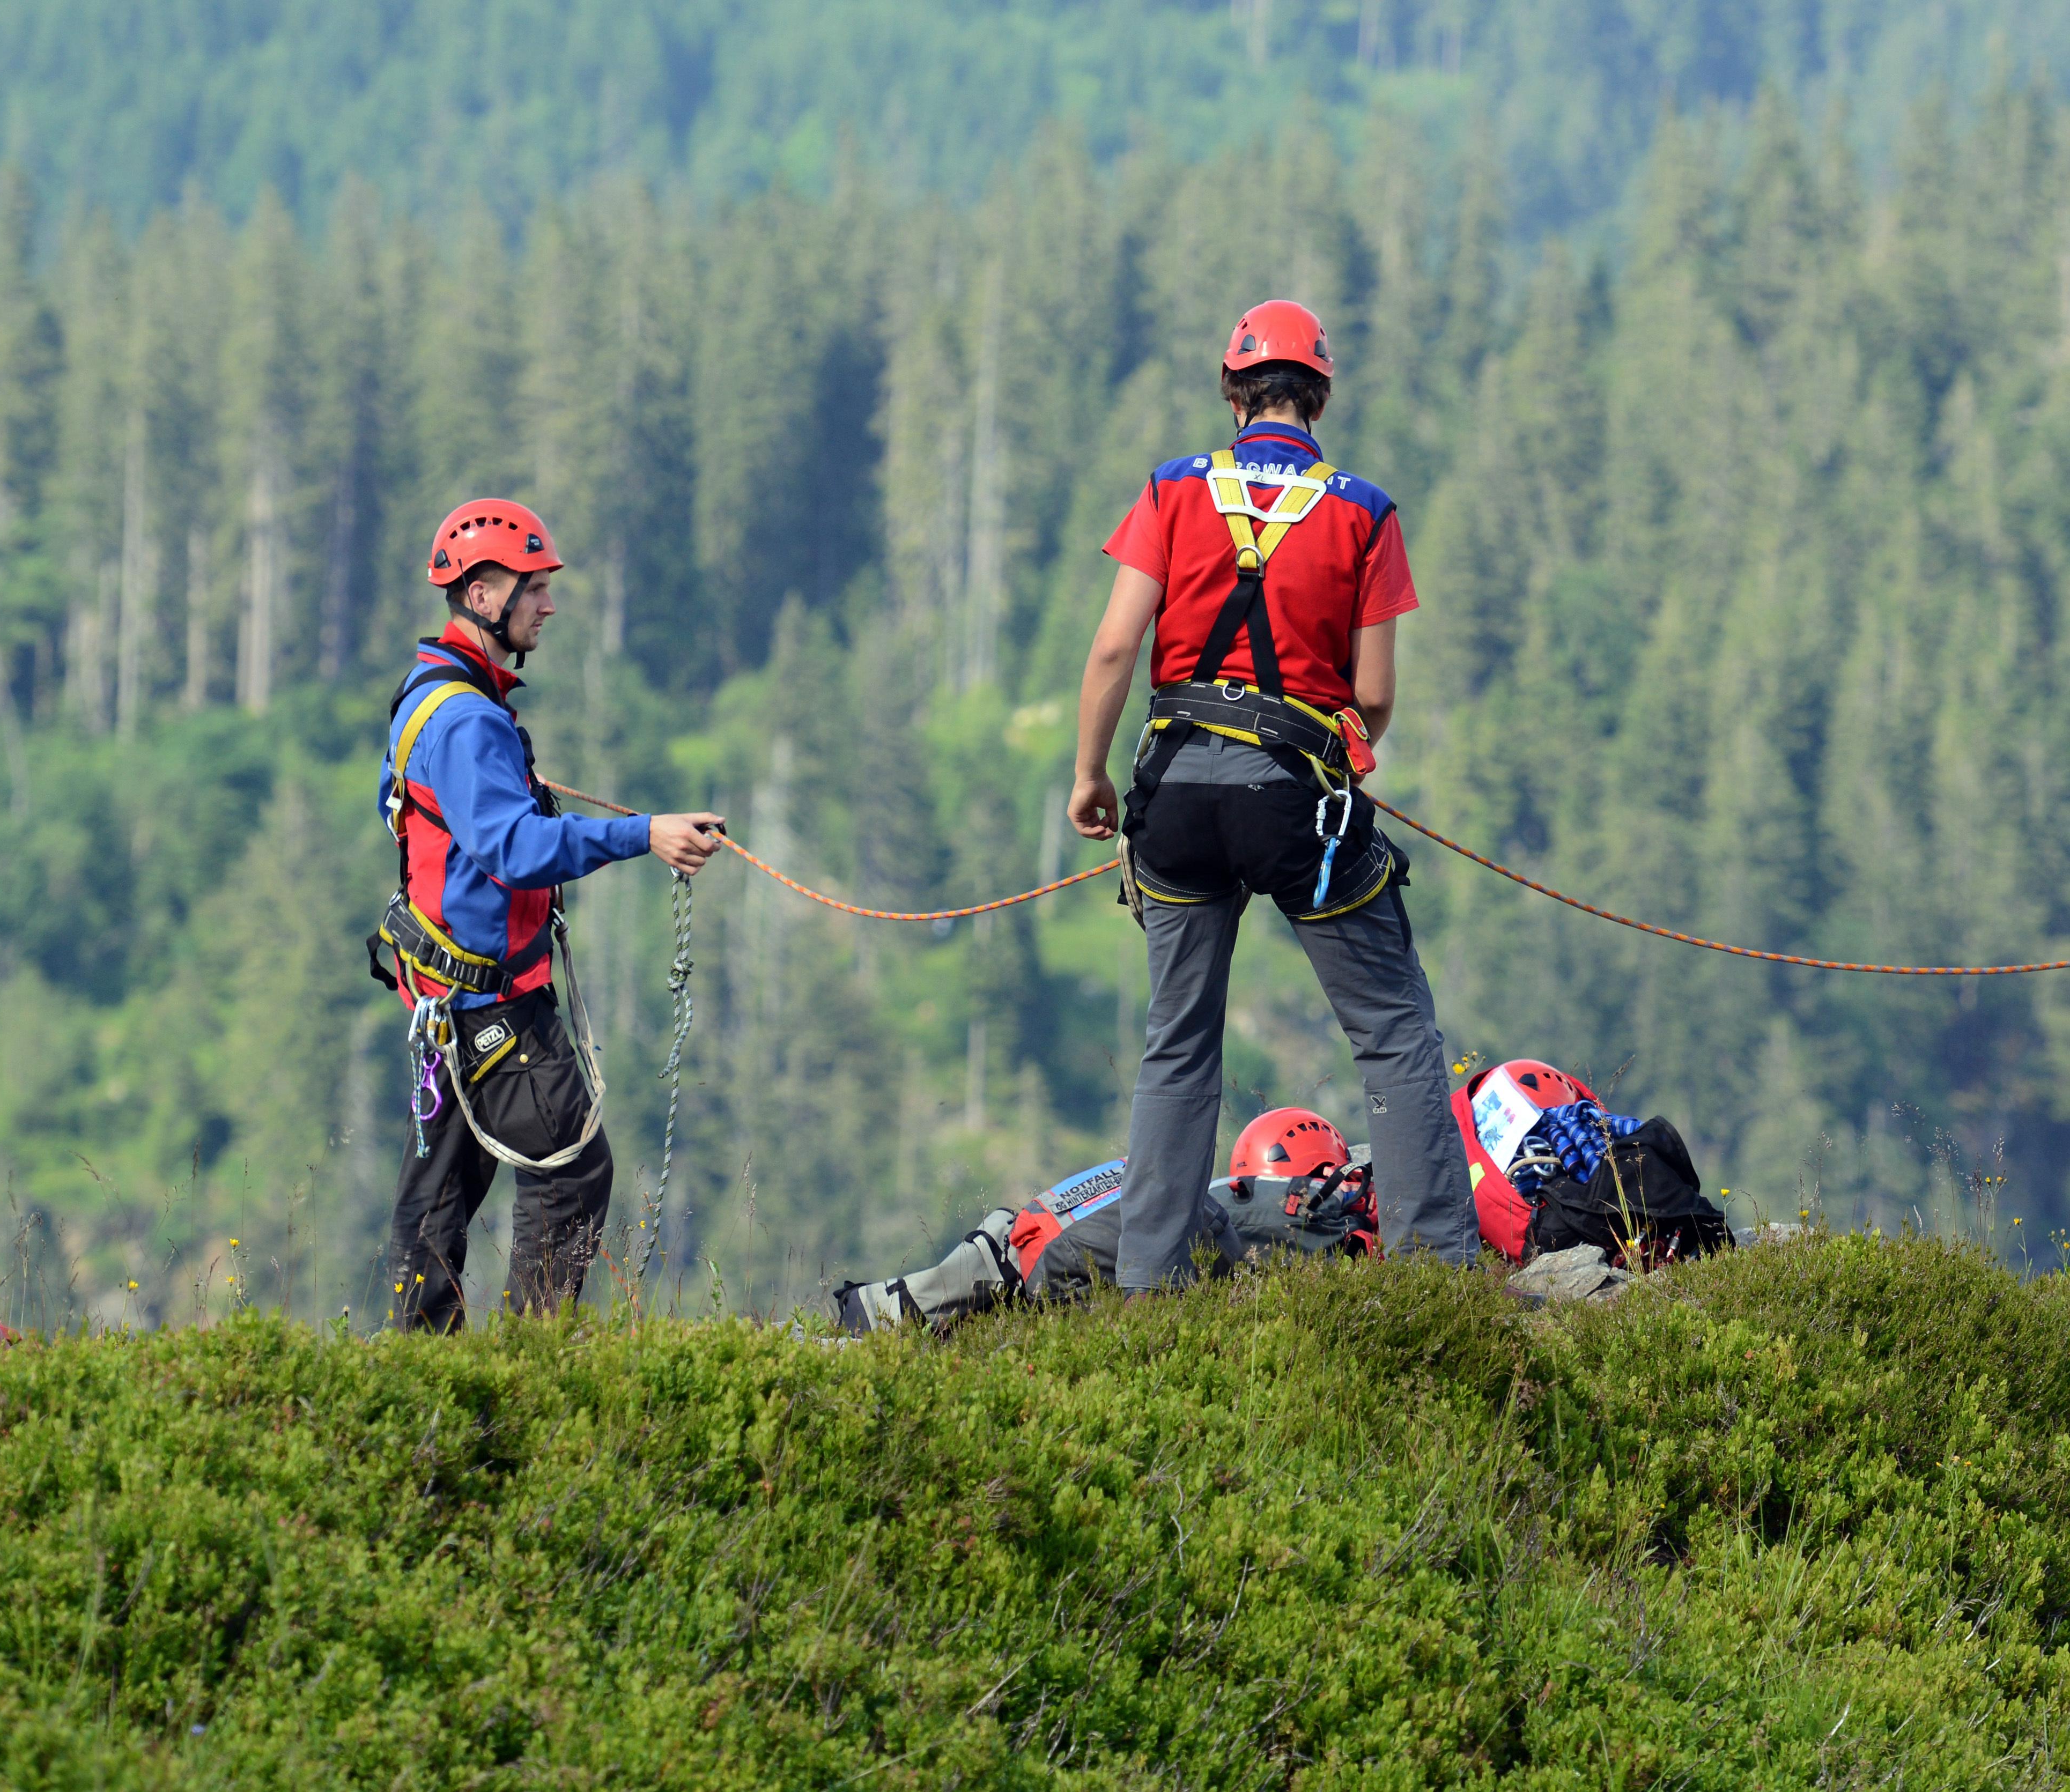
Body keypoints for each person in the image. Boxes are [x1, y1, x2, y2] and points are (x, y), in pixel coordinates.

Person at [1064, 300, 1477, 1291]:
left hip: (1172, 795)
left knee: (1177, 1046)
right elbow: (1372, 696)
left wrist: (1088, 775)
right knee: (1391, 1031)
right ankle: (1436, 1271)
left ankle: (1148, 1284)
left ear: (1232, 392)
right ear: (1319, 396)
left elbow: (1118, 643)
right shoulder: (1361, 512)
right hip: (1295, 801)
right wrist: (1333, 748)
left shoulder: (1171, 491)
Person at [369, 499, 722, 1330]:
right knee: (572, 1171)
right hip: (491, 1006)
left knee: (436, 1199)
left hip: (444, 1001)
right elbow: (514, 852)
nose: (547, 605)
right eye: (533, 588)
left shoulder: (435, 694)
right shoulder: (464, 719)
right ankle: (532, 1368)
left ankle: (418, 1375)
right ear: (483, 594)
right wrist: (647, 833)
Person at [830, 1109, 1380, 1331]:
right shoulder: (1268, 1210)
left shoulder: (1175, 1183)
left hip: (1026, 1249)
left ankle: (875, 1315)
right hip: (1069, 1274)